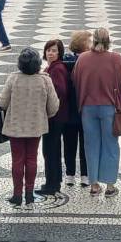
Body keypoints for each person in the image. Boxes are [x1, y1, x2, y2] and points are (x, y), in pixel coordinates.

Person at [0, 47, 59, 207]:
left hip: (15, 126)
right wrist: (43, 114)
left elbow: (2, 103)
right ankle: (29, 194)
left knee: (17, 160)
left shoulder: (13, 79)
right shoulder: (45, 79)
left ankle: (17, 194)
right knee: (31, 158)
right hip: (35, 126)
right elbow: (53, 107)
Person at [72, 27, 121, 197]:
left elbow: (75, 80)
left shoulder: (83, 58)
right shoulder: (115, 58)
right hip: (109, 107)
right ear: (109, 40)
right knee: (111, 146)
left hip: (87, 107)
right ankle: (110, 186)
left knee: (91, 145)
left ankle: (94, 184)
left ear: (93, 40)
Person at [38, 40, 71, 197]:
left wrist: (50, 104)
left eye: (54, 50)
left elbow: (60, 90)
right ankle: (54, 181)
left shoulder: (56, 69)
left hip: (54, 116)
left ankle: (52, 183)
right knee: (53, 149)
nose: (50, 53)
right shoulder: (52, 67)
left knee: (50, 150)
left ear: (59, 53)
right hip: (56, 115)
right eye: (48, 50)